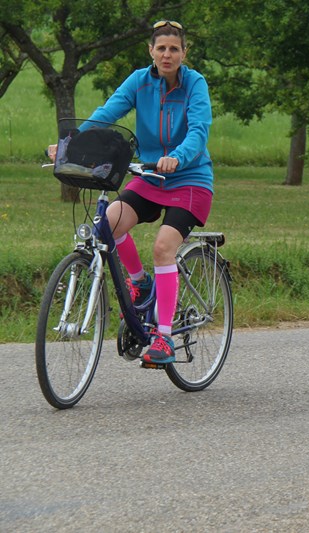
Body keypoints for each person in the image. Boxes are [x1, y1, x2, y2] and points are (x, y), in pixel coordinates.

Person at [51, 20, 213, 365]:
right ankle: (140, 284)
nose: (167, 55)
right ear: (150, 51)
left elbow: (199, 131)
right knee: (106, 224)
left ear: (184, 53)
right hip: (151, 177)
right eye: (161, 48)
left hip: (190, 179)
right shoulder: (139, 81)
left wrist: (177, 158)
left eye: (174, 49)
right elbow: (107, 114)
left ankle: (164, 337)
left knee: (163, 247)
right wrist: (70, 144)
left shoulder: (195, 84)